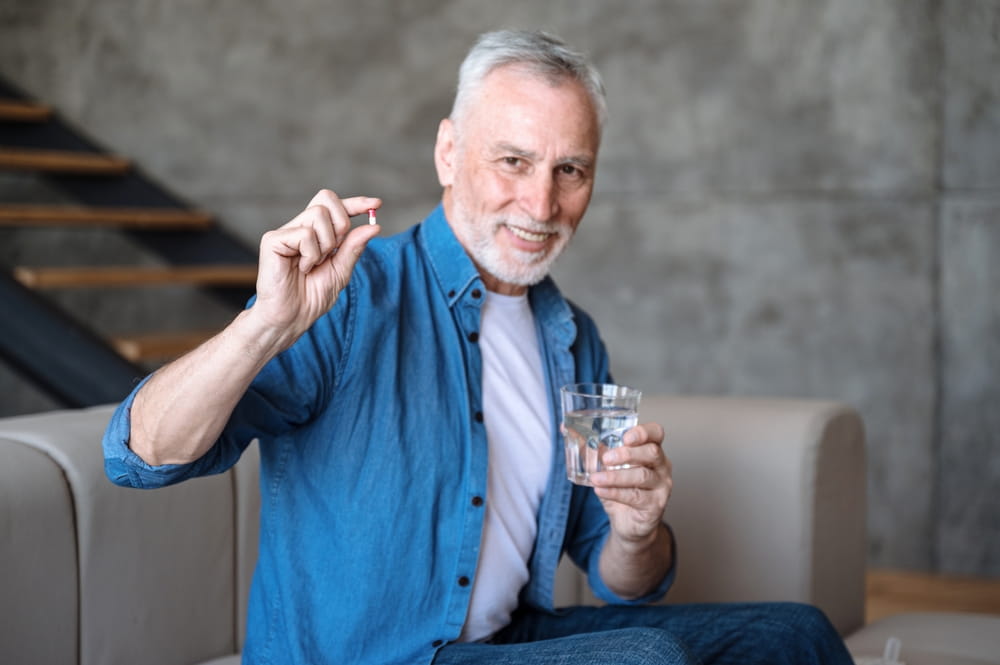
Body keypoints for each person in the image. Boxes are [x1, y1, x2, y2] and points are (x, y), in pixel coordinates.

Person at [103, 29, 855, 665]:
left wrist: (639, 528)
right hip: (375, 655)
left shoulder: (572, 338)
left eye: (571, 170)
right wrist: (264, 324)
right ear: (448, 153)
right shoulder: (354, 297)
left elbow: (624, 577)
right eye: (514, 161)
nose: (542, 203)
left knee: (795, 633)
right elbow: (138, 453)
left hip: (503, 641)